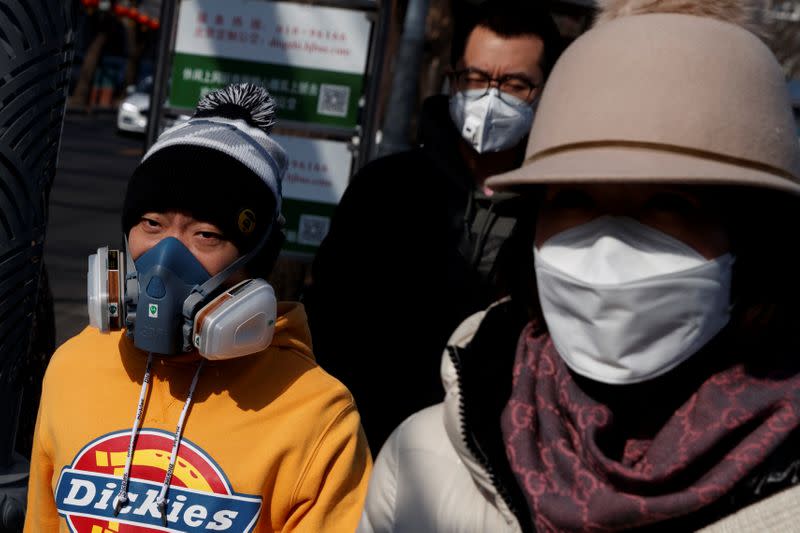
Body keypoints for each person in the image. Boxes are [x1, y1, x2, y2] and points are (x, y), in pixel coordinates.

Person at [358, 1, 800, 532]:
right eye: (573, 199)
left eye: (669, 204)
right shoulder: (424, 459)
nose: (607, 248)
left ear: (757, 241)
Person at [24, 84, 371, 532]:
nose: (167, 257)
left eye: (205, 234)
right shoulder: (74, 367)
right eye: (152, 224)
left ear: (257, 259)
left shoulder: (315, 415)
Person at [304, 0, 563, 451]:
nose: (490, 97)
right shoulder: (385, 190)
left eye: (515, 84)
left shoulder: (560, 211)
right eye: (477, 79)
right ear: (453, 80)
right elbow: (328, 321)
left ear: (546, 92)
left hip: (506, 455)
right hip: (370, 443)